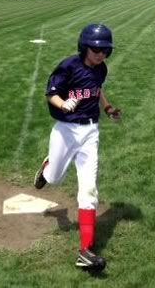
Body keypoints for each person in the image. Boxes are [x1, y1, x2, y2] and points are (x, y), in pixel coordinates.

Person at [34, 24, 122, 272]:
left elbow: (97, 90)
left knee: (89, 190)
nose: (101, 54)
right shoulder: (69, 66)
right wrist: (63, 104)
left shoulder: (101, 69)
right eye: (96, 49)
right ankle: (47, 167)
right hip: (66, 130)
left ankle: (85, 251)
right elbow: (50, 93)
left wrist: (107, 108)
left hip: (91, 132)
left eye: (105, 50)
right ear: (84, 47)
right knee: (55, 178)